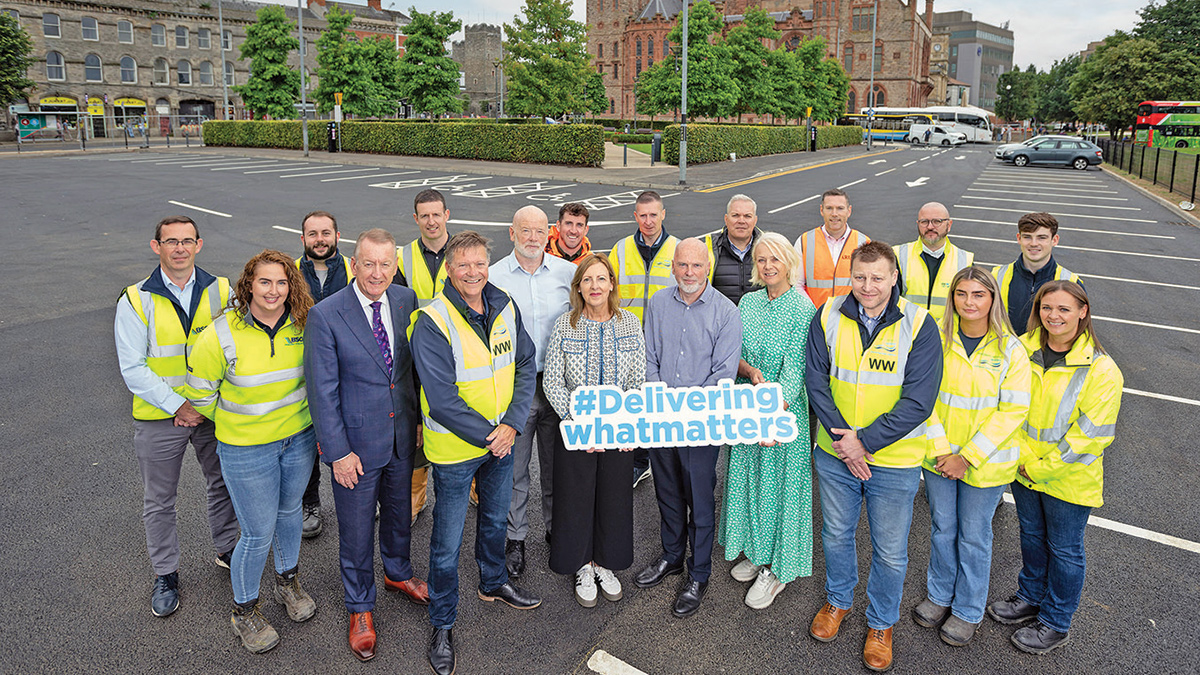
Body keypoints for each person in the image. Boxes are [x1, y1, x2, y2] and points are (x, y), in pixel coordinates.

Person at [804, 241, 944, 673]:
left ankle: (881, 624)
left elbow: (919, 400)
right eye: (860, 277)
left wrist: (862, 442)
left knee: (890, 552)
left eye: (877, 278)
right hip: (834, 453)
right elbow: (816, 381)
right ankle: (838, 601)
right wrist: (844, 441)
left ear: (894, 277)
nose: (867, 286)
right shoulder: (828, 312)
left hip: (894, 461)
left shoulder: (920, 325)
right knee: (837, 535)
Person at [409, 231, 541, 675]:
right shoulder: (432, 320)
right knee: (445, 544)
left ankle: (493, 581)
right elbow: (442, 399)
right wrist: (496, 435)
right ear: (448, 269)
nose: (473, 273)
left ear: (489, 264)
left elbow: (525, 363)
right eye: (463, 265)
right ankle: (443, 623)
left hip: (500, 442)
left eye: (479, 264)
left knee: (493, 519)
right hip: (455, 451)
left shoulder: (503, 303)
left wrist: (513, 424)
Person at [304, 229, 429, 662]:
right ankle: (360, 606)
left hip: (400, 436)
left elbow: (409, 371)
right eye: (369, 263)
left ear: (396, 265)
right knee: (356, 532)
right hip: (354, 447)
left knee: (399, 515)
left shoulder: (404, 300)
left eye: (386, 264)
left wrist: (415, 423)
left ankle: (397, 573)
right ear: (353, 264)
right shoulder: (325, 315)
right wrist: (337, 452)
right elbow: (322, 392)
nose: (377, 273)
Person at [185, 250, 317, 654]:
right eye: (264, 282)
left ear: (290, 285)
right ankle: (244, 612)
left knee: (290, 513)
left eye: (281, 282)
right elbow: (201, 395)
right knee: (258, 532)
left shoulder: (303, 324)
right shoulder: (219, 335)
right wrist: (237, 425)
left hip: (298, 440)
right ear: (249, 285)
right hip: (246, 450)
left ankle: (287, 583)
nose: (273, 290)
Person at [988, 281, 1122, 655]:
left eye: (1064, 309)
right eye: (1047, 308)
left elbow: (1090, 436)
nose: (1054, 316)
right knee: (1031, 538)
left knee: (1064, 550)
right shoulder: (1021, 349)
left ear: (1083, 312)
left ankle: (1057, 621)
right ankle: (1030, 596)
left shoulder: (1102, 369)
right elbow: (1008, 407)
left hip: (1067, 477)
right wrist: (1027, 462)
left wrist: (1040, 467)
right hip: (1025, 469)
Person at [114, 215, 238, 618]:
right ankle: (166, 573)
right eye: (171, 241)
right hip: (160, 417)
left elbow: (236, 346)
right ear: (157, 247)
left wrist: (205, 405)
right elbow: (133, 368)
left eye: (187, 241)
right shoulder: (135, 299)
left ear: (199, 245)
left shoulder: (222, 289)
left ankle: (227, 548)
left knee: (222, 484)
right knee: (159, 500)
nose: (180, 248)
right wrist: (178, 406)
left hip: (211, 413)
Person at [913, 267, 1030, 647]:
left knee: (975, 536)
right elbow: (923, 397)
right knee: (943, 529)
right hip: (940, 457)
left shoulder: (1011, 350)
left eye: (978, 295)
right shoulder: (937, 339)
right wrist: (943, 450)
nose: (969, 302)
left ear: (992, 299)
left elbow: (1012, 412)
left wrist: (968, 456)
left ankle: (967, 610)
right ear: (952, 299)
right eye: (961, 294)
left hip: (985, 463)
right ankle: (939, 595)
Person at [634, 238, 742, 618]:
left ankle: (699, 573)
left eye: (696, 266)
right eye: (682, 265)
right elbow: (648, 357)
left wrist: (687, 409)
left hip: (700, 424)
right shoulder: (659, 304)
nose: (689, 273)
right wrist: (661, 399)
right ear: (673, 267)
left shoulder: (727, 313)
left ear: (707, 268)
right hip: (662, 419)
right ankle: (672, 557)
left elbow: (724, 373)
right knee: (667, 492)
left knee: (699, 498)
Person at [718, 232, 817, 610]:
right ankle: (759, 550)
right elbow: (735, 355)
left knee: (781, 492)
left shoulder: (802, 308)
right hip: (747, 408)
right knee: (749, 483)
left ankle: (779, 570)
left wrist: (770, 419)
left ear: (789, 261)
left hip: (781, 417)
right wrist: (747, 369)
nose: (768, 266)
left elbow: (795, 372)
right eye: (761, 260)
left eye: (775, 259)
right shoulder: (749, 302)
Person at [543, 253, 646, 608]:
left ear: (612, 284)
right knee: (575, 499)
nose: (595, 286)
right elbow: (553, 382)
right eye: (587, 280)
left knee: (614, 499)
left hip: (619, 434)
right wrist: (581, 425)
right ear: (579, 287)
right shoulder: (565, 326)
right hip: (576, 433)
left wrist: (620, 425)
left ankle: (605, 563)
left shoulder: (630, 324)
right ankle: (582, 566)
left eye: (601, 279)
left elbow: (637, 382)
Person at [488, 206, 576, 577]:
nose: (533, 237)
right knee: (514, 469)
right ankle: (516, 538)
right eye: (525, 230)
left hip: (558, 386)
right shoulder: (491, 278)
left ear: (549, 234)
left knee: (558, 468)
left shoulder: (568, 273)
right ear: (512, 233)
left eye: (540, 231)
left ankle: (558, 531)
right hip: (515, 388)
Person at [609, 191, 678, 489]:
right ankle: (635, 460)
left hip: (666, 343)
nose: (648, 221)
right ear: (634, 216)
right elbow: (609, 292)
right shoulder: (621, 249)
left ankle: (651, 460)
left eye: (654, 215)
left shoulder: (678, 249)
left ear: (663, 214)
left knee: (658, 402)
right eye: (642, 215)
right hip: (627, 341)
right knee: (629, 401)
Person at [294, 210, 354, 540]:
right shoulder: (289, 273)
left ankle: (361, 493)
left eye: (326, 233)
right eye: (313, 234)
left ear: (337, 236)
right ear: (303, 239)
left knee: (352, 434)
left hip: (350, 370)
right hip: (304, 371)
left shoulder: (351, 270)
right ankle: (310, 503)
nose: (320, 239)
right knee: (307, 441)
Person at [396, 189, 452, 524]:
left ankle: (473, 485)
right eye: (424, 215)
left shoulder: (462, 251)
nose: (431, 221)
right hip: (414, 355)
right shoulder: (403, 257)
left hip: (459, 354)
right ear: (416, 219)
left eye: (436, 214)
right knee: (414, 424)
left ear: (447, 214)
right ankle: (416, 496)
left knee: (464, 420)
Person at [991, 212, 1081, 335]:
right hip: (1004, 352)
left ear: (1054, 240)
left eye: (1041, 237)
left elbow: (1079, 330)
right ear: (1019, 238)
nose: (1033, 243)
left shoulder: (1072, 282)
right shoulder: (996, 276)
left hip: (1048, 354)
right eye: (1027, 237)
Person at [892, 202, 974, 322]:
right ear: (918, 224)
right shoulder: (898, 255)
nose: (930, 227)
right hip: (908, 332)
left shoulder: (965, 260)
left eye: (937, 221)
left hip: (946, 335)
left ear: (949, 224)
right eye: (924, 221)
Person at [793, 188, 871, 309]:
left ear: (848, 211)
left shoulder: (864, 243)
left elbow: (869, 286)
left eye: (840, 208)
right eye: (829, 208)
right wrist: (812, 312)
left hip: (851, 319)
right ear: (821, 210)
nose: (834, 214)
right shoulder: (804, 241)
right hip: (814, 317)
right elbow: (796, 285)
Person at [704, 193, 763, 305]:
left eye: (747, 216)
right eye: (735, 215)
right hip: (720, 320)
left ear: (755, 220)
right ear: (726, 219)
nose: (741, 221)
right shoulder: (708, 248)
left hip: (759, 321)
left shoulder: (768, 248)